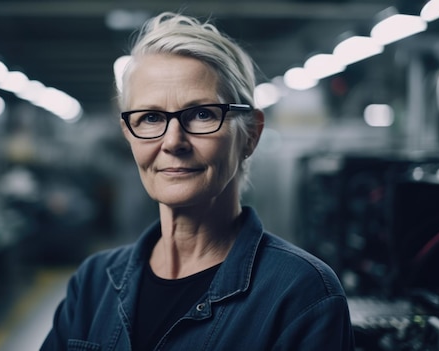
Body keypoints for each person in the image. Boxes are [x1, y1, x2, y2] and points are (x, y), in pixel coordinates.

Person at [41, 12, 354, 351]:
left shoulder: (301, 295)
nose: (173, 142)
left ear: (250, 134)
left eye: (202, 114)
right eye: (150, 117)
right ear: (129, 135)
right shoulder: (93, 284)